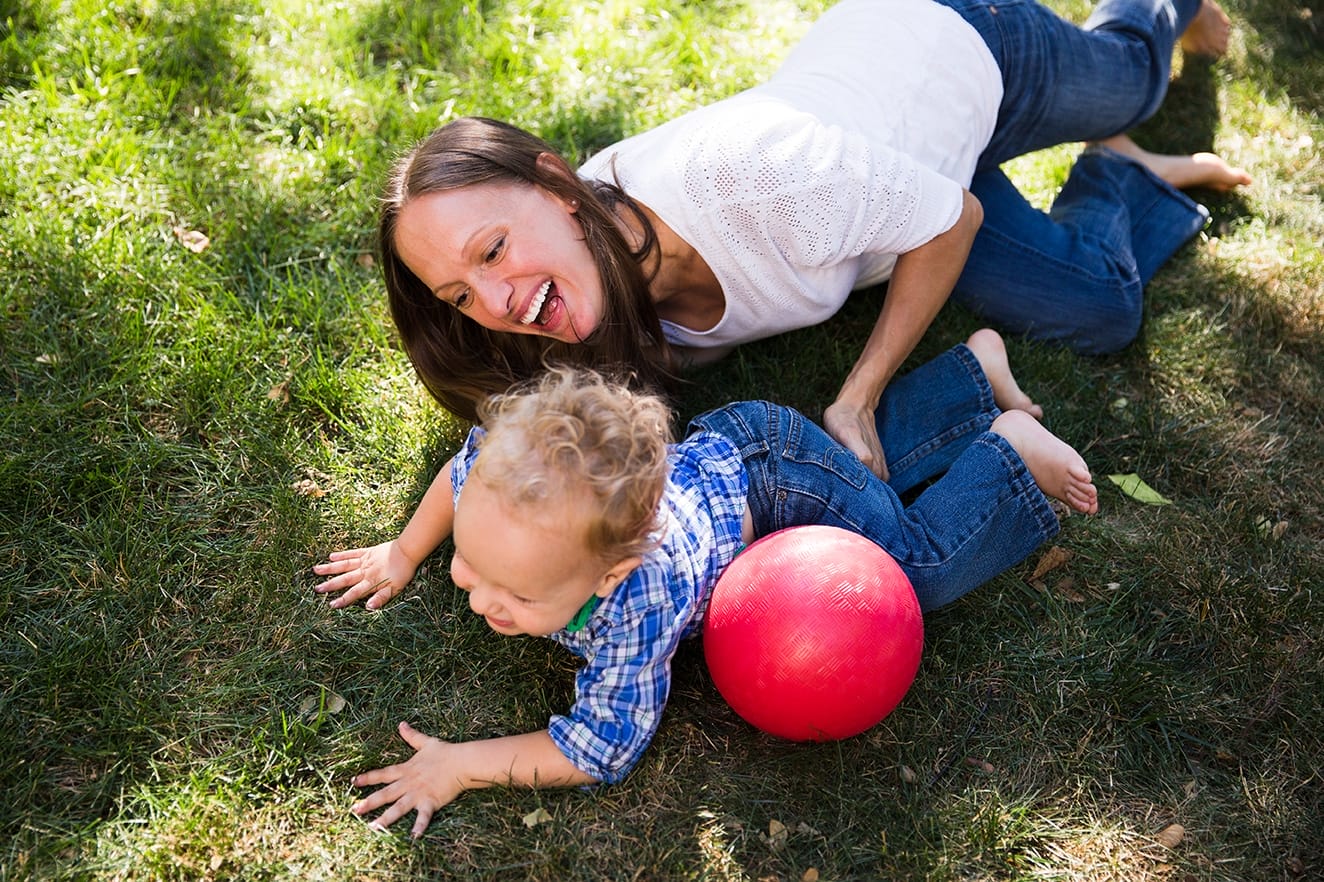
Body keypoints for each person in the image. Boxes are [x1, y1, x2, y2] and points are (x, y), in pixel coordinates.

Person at [378, 0, 1249, 480]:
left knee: (1135, 76)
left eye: (490, 252)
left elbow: (951, 222)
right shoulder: (580, 286)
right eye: (460, 295)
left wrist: (859, 394)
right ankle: (1118, 169)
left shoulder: (754, 178)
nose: (496, 303)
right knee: (1102, 308)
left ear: (562, 188)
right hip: (900, 179)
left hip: (962, 53)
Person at [312, 329, 1099, 838]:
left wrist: (462, 764)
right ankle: (969, 374)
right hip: (728, 450)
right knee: (874, 487)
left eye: (515, 595)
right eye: (472, 567)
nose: (480, 598)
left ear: (610, 573)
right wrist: (405, 552)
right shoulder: (504, 475)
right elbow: (461, 473)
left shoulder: (634, 607)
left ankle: (1008, 452)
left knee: (909, 562)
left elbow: (598, 750)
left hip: (774, 480)